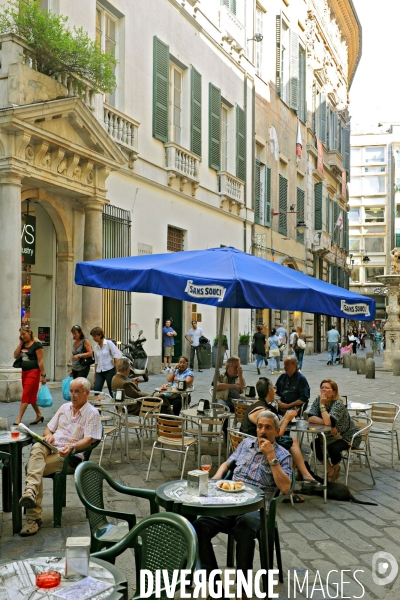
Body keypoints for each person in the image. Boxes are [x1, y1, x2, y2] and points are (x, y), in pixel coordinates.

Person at [193, 411, 292, 588]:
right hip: (229, 501)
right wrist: (217, 476)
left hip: (257, 508)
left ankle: (242, 588)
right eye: (260, 426)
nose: (262, 431)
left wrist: (271, 457)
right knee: (199, 526)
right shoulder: (246, 444)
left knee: (244, 527)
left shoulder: (283, 455)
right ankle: (216, 588)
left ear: (277, 431)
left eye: (268, 428)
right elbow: (227, 463)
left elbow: (285, 487)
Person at [18, 377, 102, 535]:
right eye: (71, 391)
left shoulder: (92, 413)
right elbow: (48, 429)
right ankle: (30, 492)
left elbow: (89, 439)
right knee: (38, 446)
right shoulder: (64, 407)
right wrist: (49, 435)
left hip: (68, 455)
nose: (73, 395)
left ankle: (33, 517)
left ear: (86, 393)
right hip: (51, 447)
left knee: (33, 467)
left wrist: (73, 447)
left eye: (77, 391)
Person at [241, 378, 324, 502]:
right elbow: (276, 434)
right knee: (291, 444)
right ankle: (298, 481)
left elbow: (275, 428)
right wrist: (287, 418)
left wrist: (286, 416)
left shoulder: (259, 404)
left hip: (255, 440)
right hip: (256, 444)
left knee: (291, 443)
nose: (275, 390)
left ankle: (296, 482)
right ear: (270, 391)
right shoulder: (263, 412)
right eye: (273, 388)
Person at [308, 378, 361, 482]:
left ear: (334, 392)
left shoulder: (338, 404)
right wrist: (329, 422)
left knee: (333, 449)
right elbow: (310, 418)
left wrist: (322, 406)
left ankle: (336, 467)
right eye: (322, 388)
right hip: (329, 435)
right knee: (314, 444)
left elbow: (328, 422)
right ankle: (331, 470)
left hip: (347, 436)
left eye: (327, 388)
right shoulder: (317, 400)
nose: (323, 390)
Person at [13, 326, 46, 426]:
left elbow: (40, 361)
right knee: (30, 396)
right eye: (21, 335)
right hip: (24, 372)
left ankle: (19, 418)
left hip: (34, 372)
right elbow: (15, 355)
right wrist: (20, 344)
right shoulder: (23, 345)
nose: (22, 336)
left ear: (30, 333)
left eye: (24, 334)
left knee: (26, 394)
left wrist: (43, 375)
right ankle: (39, 415)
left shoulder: (37, 345)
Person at [90, 327, 120, 395]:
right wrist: (95, 376)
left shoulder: (109, 343)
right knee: (96, 390)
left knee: (112, 390)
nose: (93, 338)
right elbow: (96, 362)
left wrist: (117, 372)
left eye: (94, 336)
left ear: (100, 335)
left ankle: (117, 405)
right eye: (92, 336)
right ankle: (97, 405)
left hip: (109, 370)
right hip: (99, 371)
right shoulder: (95, 347)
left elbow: (115, 358)